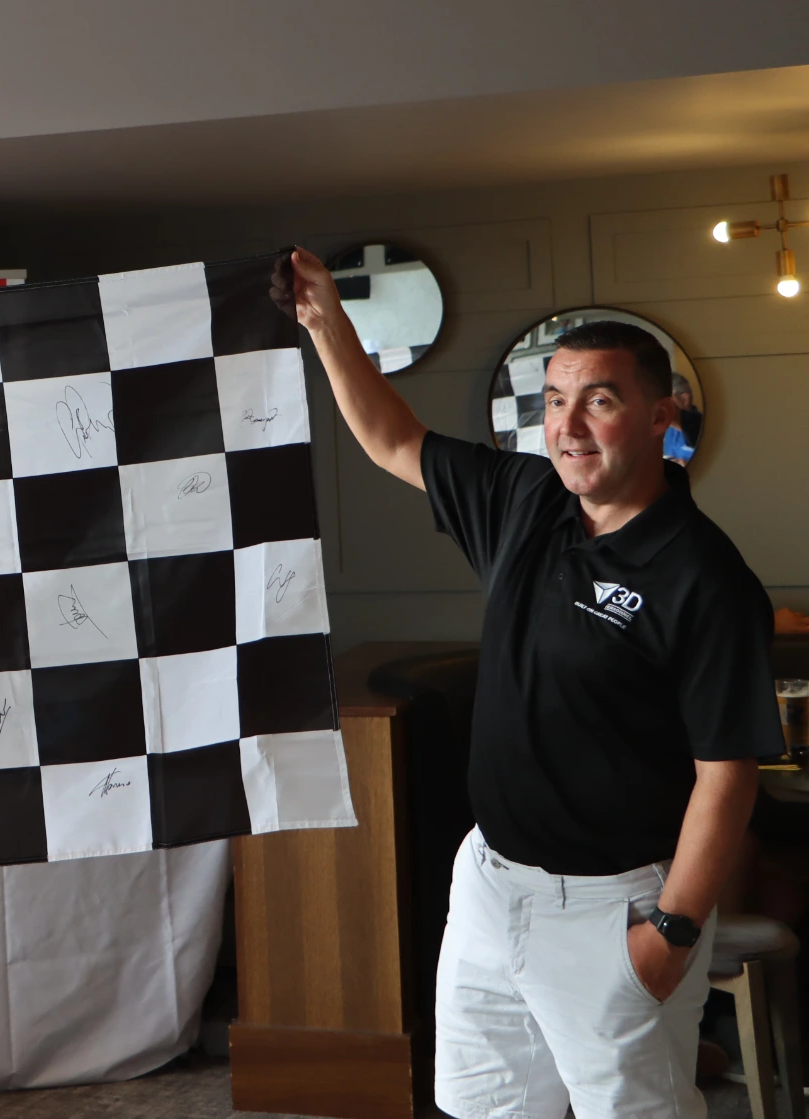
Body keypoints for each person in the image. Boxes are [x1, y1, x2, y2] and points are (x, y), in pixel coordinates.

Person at [284, 248, 778, 1118]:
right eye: (555, 401)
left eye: (601, 398)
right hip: (487, 883)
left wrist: (668, 934)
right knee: (484, 1109)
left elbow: (727, 775)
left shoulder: (704, 576)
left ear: (663, 416)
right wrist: (326, 323)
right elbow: (393, 438)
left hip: (616, 907)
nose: (569, 426)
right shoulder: (525, 501)